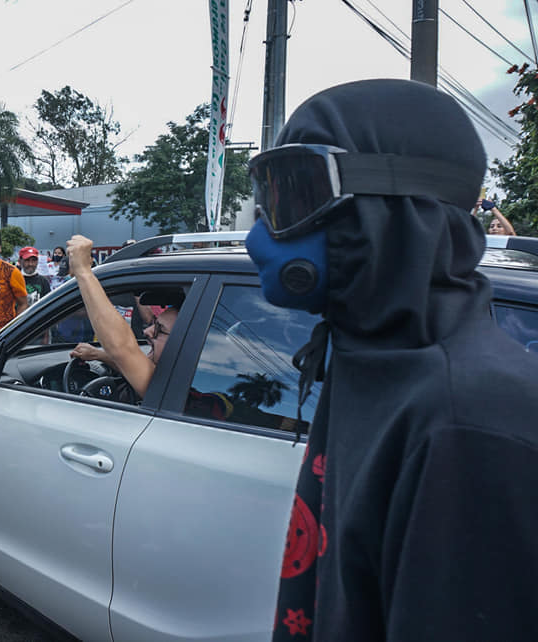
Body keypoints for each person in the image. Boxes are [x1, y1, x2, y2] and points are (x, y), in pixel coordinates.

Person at [242, 79, 538, 641]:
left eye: (298, 196)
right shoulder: (367, 352)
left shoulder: (473, 419)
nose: (263, 234)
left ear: (396, 207)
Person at [65, 235, 176, 398]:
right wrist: (98, 355)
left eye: (160, 330)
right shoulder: (190, 378)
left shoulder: (172, 388)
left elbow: (123, 349)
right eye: (154, 325)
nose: (148, 332)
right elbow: (133, 364)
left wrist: (82, 271)